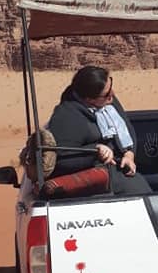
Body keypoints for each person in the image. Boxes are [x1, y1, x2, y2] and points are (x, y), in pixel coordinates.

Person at [47, 66, 151, 196]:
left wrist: (129, 154)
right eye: (107, 94)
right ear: (89, 99)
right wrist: (95, 150)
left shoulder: (107, 101)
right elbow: (62, 159)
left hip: (119, 170)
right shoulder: (66, 116)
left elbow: (126, 127)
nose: (112, 95)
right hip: (96, 182)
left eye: (111, 86)